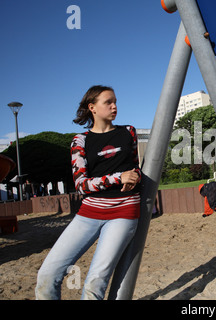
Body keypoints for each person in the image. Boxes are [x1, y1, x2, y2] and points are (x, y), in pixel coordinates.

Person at [35, 85, 142, 300]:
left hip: (123, 213)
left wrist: (135, 176)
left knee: (95, 283)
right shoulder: (80, 141)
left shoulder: (128, 132)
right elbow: (81, 185)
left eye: (115, 101)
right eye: (108, 102)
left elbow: (134, 167)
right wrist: (117, 178)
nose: (114, 106)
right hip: (88, 214)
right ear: (92, 107)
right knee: (47, 275)